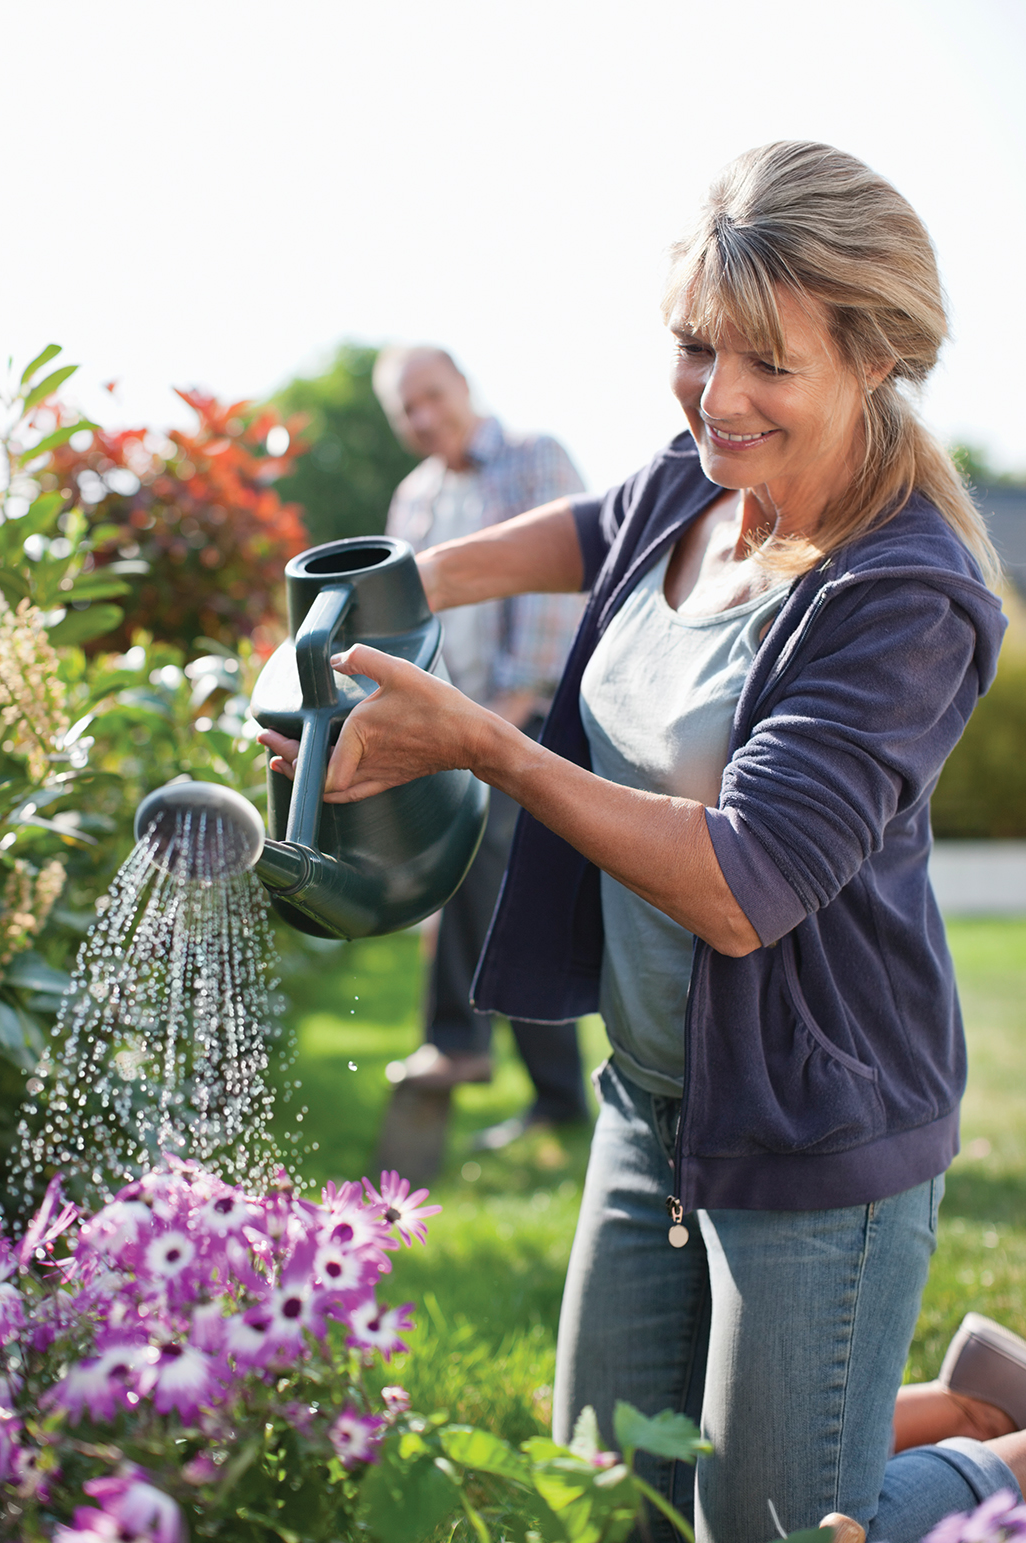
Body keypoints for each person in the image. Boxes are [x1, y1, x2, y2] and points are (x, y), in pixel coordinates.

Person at [259, 142, 1018, 1542]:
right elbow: (605, 527)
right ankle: (946, 1416)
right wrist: (394, 588)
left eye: (767, 365)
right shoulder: (706, 473)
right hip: (654, 1097)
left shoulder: (906, 593)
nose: (717, 398)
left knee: (781, 1532)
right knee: (605, 1501)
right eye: (693, 347)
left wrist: (486, 744)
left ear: (875, 356)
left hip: (814, 1126)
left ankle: (994, 1467)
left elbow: (744, 885)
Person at [370, 346, 589, 1141]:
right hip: (451, 723)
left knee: (478, 864)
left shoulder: (534, 460)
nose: (424, 418)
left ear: (463, 383)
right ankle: (558, 1097)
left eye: (432, 396)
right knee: (501, 889)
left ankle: (459, 1043)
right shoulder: (415, 497)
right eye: (407, 411)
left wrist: (507, 705)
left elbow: (556, 587)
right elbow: (407, 618)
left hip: (531, 715)